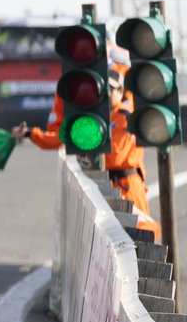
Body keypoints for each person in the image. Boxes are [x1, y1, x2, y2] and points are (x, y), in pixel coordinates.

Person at [12, 61, 160, 240]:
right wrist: (30, 133)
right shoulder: (96, 121)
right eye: (104, 89)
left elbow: (115, 155)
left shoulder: (126, 119)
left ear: (121, 92)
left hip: (127, 185)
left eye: (112, 89)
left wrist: (86, 146)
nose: (107, 93)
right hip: (104, 184)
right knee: (110, 240)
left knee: (140, 236)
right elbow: (62, 138)